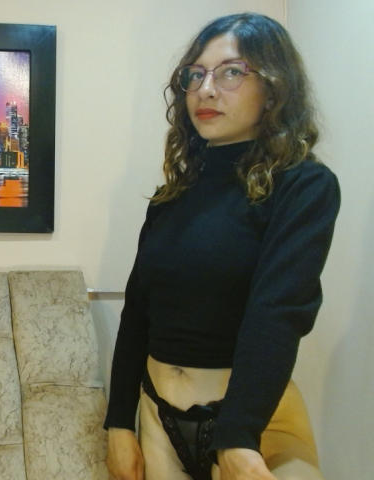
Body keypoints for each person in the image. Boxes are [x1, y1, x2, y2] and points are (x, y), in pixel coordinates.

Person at [104, 13, 340, 480]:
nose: (206, 90)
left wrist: (238, 436)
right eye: (195, 75)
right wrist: (119, 424)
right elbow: (137, 313)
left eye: (231, 71)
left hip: (256, 425)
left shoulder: (304, 185)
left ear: (273, 87)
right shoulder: (171, 197)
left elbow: (279, 310)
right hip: (159, 419)